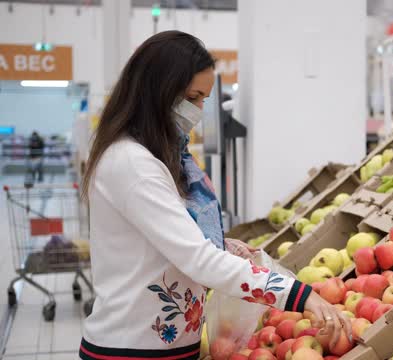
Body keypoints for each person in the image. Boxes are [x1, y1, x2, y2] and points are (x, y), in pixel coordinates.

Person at [79, 31, 349, 360]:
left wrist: (227, 246)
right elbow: (198, 259)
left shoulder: (159, 159)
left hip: (166, 346)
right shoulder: (132, 165)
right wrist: (298, 294)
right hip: (130, 350)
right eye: (192, 98)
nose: (198, 110)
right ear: (158, 92)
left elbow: (168, 237)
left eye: (204, 99)